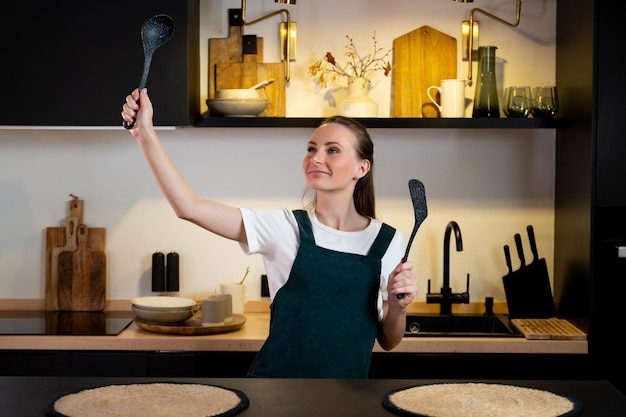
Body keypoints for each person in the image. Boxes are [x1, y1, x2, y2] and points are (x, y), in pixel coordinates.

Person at [121, 88, 418, 378]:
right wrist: (145, 133)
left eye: (332, 151)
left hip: (346, 402)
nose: (315, 158)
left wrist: (398, 307)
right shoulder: (284, 228)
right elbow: (189, 207)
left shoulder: (387, 242)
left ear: (361, 168)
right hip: (276, 396)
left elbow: (389, 341)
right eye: (311, 149)